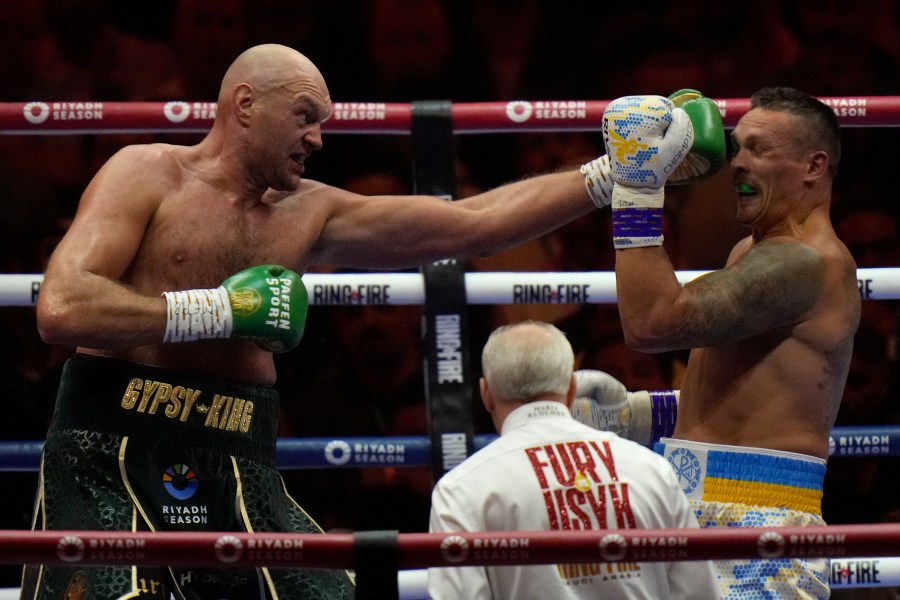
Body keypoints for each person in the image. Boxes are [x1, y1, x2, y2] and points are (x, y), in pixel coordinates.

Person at [31, 44, 719, 599]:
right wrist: (209, 310)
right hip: (111, 445)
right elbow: (61, 307)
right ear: (244, 104)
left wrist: (612, 174)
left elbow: (472, 224)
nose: (318, 138)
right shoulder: (146, 173)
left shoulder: (311, 211)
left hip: (238, 456)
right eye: (305, 115)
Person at [577, 87, 861, 599]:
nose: (737, 164)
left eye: (759, 149)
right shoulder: (751, 252)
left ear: (814, 166)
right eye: (737, 148)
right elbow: (750, 394)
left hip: (759, 517)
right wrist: (640, 414)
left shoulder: (803, 262)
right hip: (690, 498)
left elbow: (652, 324)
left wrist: (639, 190)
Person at [428, 321, 717, 600]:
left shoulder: (461, 489)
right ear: (570, 390)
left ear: (486, 394)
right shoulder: (651, 469)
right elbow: (697, 592)